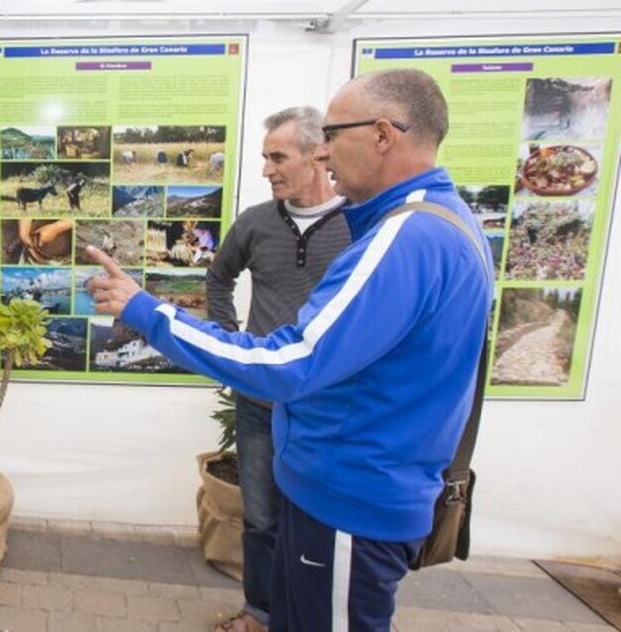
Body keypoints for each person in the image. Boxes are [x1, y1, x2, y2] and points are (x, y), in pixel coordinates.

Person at [86, 69, 492, 631]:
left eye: (331, 133)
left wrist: (148, 313)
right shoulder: (443, 224)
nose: (324, 151)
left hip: (349, 497)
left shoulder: (405, 238)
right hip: (355, 485)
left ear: (382, 134)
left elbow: (291, 363)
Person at [206, 106, 351, 632]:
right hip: (261, 404)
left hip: (328, 408)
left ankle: (307, 615)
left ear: (319, 155)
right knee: (262, 518)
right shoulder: (255, 223)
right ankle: (259, 612)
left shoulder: (362, 223)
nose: (266, 169)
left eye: (277, 157)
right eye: (265, 157)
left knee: (319, 523)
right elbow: (218, 279)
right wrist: (229, 342)